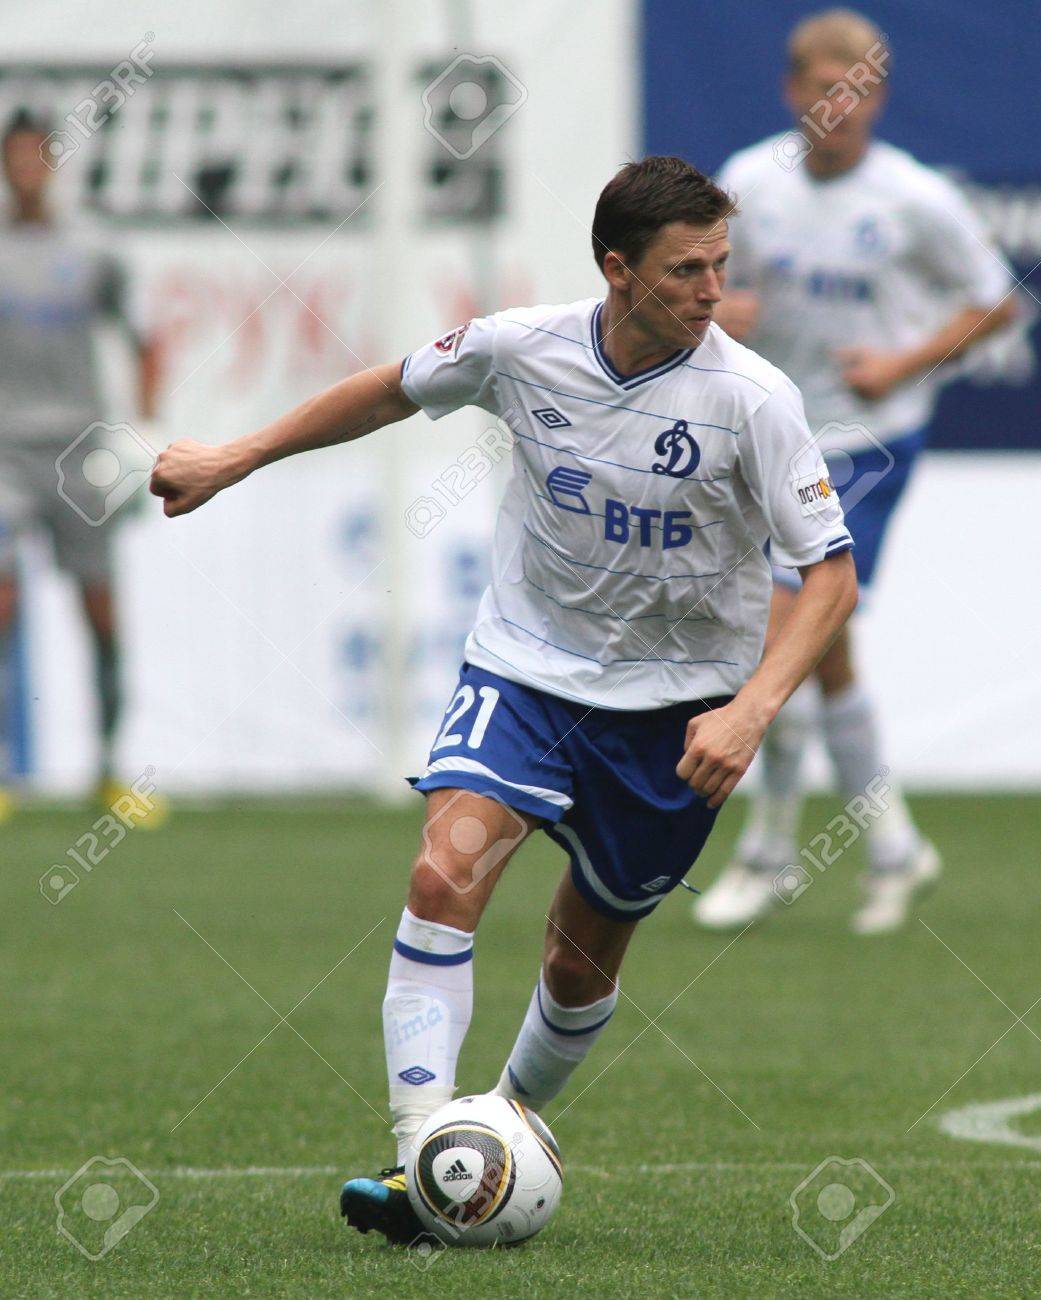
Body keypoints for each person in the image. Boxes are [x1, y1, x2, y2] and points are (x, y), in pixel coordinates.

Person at [149, 155, 858, 1245]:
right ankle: (418, 1151)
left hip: (680, 712)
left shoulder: (753, 399)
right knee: (447, 865)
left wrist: (754, 706)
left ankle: (509, 1119)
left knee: (582, 955)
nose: (714, 291)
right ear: (615, 270)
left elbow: (830, 576)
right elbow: (391, 385)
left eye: (722, 264)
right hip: (526, 668)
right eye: (687, 270)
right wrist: (238, 454)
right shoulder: (519, 346)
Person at [694, 10, 1017, 935]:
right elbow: (697, 284)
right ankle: (891, 848)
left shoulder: (913, 197)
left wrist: (905, 363)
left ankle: (766, 853)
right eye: (821, 92)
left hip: (869, 439)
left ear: (874, 96)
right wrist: (720, 314)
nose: (839, 110)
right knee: (820, 653)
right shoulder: (752, 183)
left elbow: (994, 303)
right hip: (770, 437)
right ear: (794, 92)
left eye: (857, 92)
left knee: (783, 632)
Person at [0, 109, 160, 820]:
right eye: (15, 157)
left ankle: (108, 769)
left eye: (37, 156)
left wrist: (147, 430)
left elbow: (145, 337)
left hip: (80, 452)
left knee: (98, 610)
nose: (26, 168)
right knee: (1, 603)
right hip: (4, 449)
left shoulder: (94, 250)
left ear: (54, 164)